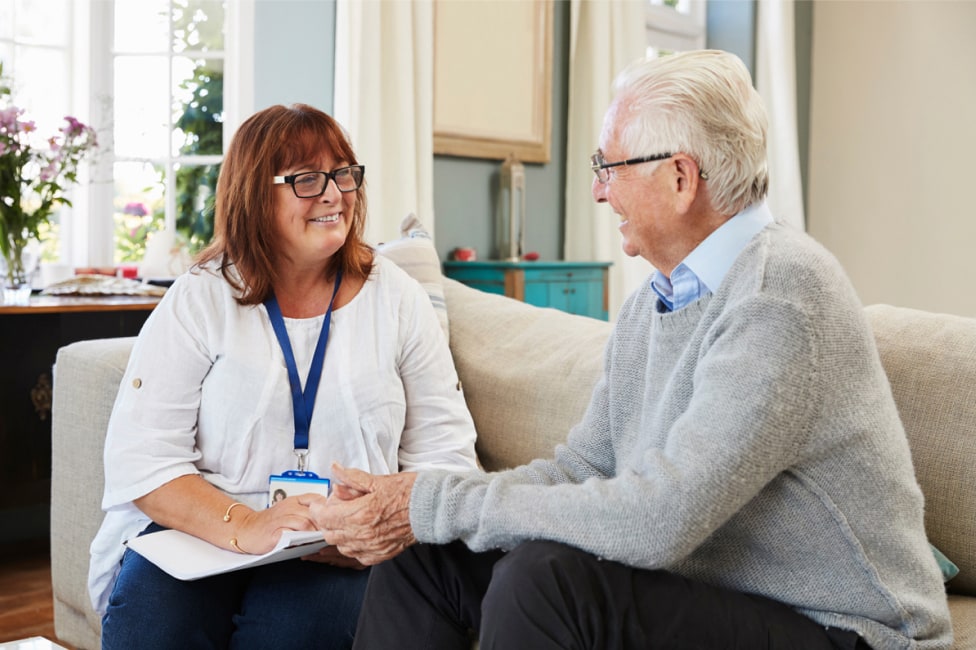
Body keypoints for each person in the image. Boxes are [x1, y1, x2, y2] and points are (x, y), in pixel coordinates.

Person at [308, 50, 953, 649]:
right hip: (724, 600)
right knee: (427, 559)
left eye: (608, 168)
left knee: (545, 580)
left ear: (680, 178)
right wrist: (421, 505)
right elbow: (583, 466)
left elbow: (658, 520)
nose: (597, 191)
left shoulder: (779, 293)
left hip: (851, 630)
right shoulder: (658, 299)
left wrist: (430, 502)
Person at [88, 103, 479, 649]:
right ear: (253, 193)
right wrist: (247, 525)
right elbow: (143, 459)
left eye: (343, 173)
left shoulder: (396, 298)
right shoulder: (201, 297)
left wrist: (374, 526)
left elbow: (447, 455)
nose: (334, 193)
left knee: (295, 633)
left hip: (339, 544)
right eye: (307, 179)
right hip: (207, 529)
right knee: (152, 626)